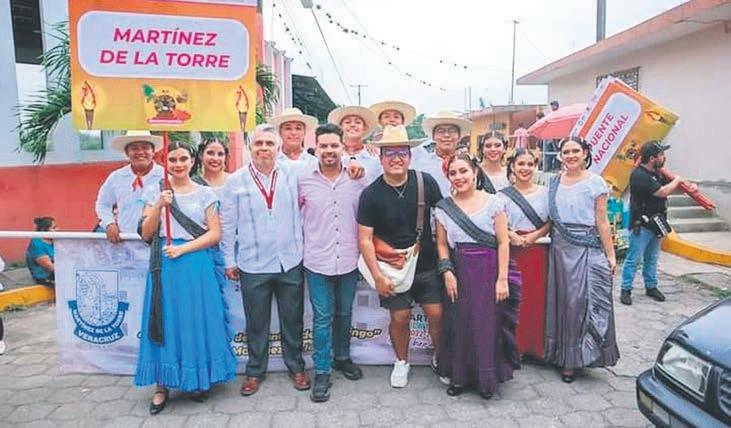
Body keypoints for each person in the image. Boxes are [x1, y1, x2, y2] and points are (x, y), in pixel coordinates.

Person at [135, 141, 237, 415]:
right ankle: (161, 386)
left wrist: (183, 249)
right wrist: (159, 205)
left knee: (196, 320)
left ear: (193, 161)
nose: (178, 164)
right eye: (173, 159)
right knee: (165, 320)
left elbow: (214, 234)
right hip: (164, 266)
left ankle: (198, 379)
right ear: (165, 162)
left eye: (183, 159)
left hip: (195, 263)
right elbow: (146, 233)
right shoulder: (154, 191)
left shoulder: (205, 193)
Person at [220, 126, 309, 396]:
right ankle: (255, 371)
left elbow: (325, 170)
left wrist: (354, 164)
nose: (264, 148)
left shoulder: (294, 174)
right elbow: (227, 224)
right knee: (256, 322)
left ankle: (296, 367)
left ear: (278, 148)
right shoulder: (235, 181)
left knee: (292, 319)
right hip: (253, 263)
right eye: (258, 143)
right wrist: (229, 260)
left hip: (289, 261)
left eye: (269, 143)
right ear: (250, 148)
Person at [357, 125, 443, 388]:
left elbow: (442, 220)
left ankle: (442, 357)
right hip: (391, 267)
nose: (396, 158)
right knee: (400, 317)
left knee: (437, 314)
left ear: (410, 156)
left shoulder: (426, 182)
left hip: (426, 264)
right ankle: (401, 361)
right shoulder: (370, 194)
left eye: (402, 153)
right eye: (390, 153)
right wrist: (377, 276)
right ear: (381, 157)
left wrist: (445, 261)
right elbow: (365, 239)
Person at [434, 153, 521, 399]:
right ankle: (459, 377)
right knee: (459, 322)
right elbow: (441, 244)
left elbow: (503, 242)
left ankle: (486, 379)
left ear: (475, 172)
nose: (458, 177)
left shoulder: (494, 202)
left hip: (488, 270)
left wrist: (502, 279)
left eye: (463, 171)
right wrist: (447, 271)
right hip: (459, 270)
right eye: (453, 173)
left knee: (486, 323)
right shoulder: (443, 208)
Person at [298, 123, 368, 402]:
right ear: (316, 148)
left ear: (342, 147)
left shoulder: (357, 178)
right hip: (317, 260)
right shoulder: (303, 179)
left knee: (344, 313)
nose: (329, 150)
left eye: (334, 145)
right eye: (323, 145)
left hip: (349, 258)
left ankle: (342, 357)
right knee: (322, 318)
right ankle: (322, 371)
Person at [544, 137, 619, 383]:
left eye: (575, 150)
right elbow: (549, 220)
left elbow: (602, 220)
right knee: (561, 303)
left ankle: (576, 358)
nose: (571, 155)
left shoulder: (595, 183)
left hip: (585, 248)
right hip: (559, 249)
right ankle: (560, 354)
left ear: (585, 153)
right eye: (566, 151)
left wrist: (610, 255)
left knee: (579, 303)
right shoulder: (553, 182)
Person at [620, 142, 696, 305]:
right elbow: (662, 192)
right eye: (661, 155)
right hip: (642, 225)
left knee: (652, 258)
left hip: (657, 224)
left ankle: (651, 287)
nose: (664, 157)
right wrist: (677, 179)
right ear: (652, 158)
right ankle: (625, 289)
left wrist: (688, 187)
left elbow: (671, 187)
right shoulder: (639, 176)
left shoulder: (657, 173)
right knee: (634, 259)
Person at [498, 149, 551, 359]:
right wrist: (510, 234)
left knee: (536, 300)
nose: (525, 169)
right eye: (521, 164)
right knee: (515, 299)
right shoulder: (501, 196)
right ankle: (515, 347)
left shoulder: (546, 193)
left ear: (535, 166)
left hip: (538, 251)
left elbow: (551, 221)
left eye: (530, 164)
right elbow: (497, 222)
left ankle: (535, 347)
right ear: (512, 166)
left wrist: (535, 235)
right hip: (513, 251)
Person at [95, 131, 164, 243]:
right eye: (134, 148)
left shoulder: (165, 176)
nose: (140, 152)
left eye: (145, 147)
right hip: (124, 241)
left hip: (156, 242)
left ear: (153, 152)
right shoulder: (116, 177)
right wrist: (109, 223)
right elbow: (102, 203)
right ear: (127, 153)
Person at [413, 111, 473, 196]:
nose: (446, 135)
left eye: (452, 131)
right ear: (433, 137)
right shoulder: (420, 165)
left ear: (459, 137)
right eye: (441, 131)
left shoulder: (469, 165)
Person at [328, 106, 381, 183]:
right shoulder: (330, 154)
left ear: (364, 128)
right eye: (347, 122)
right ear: (340, 128)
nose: (352, 125)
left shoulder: (376, 154)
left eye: (358, 122)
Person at [272, 107, 320, 174]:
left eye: (298, 128)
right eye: (288, 128)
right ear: (280, 132)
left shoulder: (315, 163)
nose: (293, 132)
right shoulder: (271, 160)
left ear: (304, 132)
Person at [25, 216, 57, 286]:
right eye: (54, 228)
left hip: (55, 273)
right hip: (44, 276)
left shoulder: (53, 241)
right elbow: (50, 267)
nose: (57, 229)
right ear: (43, 230)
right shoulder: (37, 244)